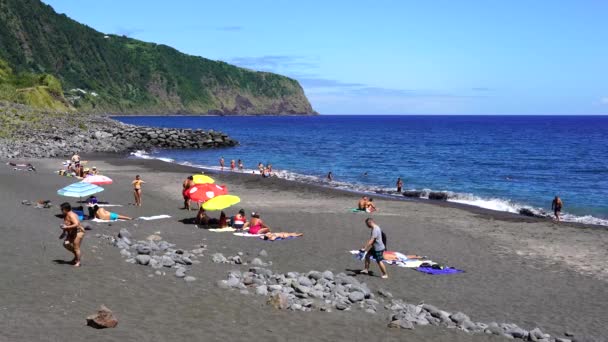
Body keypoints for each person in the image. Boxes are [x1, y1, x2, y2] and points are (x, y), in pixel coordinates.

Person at [60, 202, 85, 267]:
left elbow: (76, 224)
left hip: (78, 232)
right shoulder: (66, 215)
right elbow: (67, 224)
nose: (61, 211)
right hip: (71, 233)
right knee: (66, 244)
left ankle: (78, 262)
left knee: (76, 247)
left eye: (62, 209)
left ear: (65, 209)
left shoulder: (71, 215)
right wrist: (63, 232)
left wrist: (66, 227)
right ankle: (76, 256)